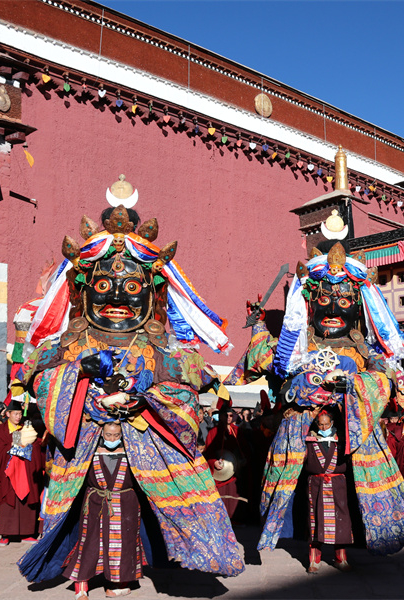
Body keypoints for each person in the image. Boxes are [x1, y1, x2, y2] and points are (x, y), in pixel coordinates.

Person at [16, 179, 244, 591]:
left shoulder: (168, 351)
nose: (118, 296)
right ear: (82, 290)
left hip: (143, 450)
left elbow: (189, 399)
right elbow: (39, 383)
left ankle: (128, 570)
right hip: (83, 452)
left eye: (133, 286)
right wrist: (78, 377)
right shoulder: (63, 347)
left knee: (129, 512)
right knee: (85, 513)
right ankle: (81, 572)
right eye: (104, 285)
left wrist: (144, 400)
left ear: (154, 293)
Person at [224, 223, 404, 566]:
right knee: (299, 488)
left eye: (343, 301)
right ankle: (293, 536)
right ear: (309, 304)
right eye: (324, 300)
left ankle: (358, 538)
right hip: (302, 434)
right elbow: (264, 359)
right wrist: (259, 327)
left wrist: (351, 386)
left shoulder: (364, 350)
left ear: (357, 306)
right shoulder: (296, 347)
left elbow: (384, 379)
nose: (332, 310)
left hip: (351, 436)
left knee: (350, 489)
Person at [63, 422, 141, 597]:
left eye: (116, 435)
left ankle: (117, 584)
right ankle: (81, 586)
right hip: (95, 503)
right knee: (89, 543)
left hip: (125, 504)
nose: (112, 439)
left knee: (123, 544)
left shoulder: (133, 453)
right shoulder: (89, 452)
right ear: (101, 434)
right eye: (108, 435)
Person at [304, 408, 352, 573]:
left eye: (327, 424)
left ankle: (341, 558)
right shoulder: (309, 441)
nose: (324, 428)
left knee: (341, 520)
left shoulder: (342, 440)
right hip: (316, 485)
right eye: (321, 425)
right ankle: (314, 560)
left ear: (332, 423)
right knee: (315, 521)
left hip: (337, 484)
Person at [0, 399, 44, 545]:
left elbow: (35, 444)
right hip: (8, 470)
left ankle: (27, 533)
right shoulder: (1, 430)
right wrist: (13, 445)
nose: (18, 417)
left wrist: (30, 445)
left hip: (24, 469)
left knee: (26, 501)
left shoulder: (26, 428)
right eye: (15, 414)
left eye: (20, 414)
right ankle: (5, 534)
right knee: (8, 501)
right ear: (8, 414)